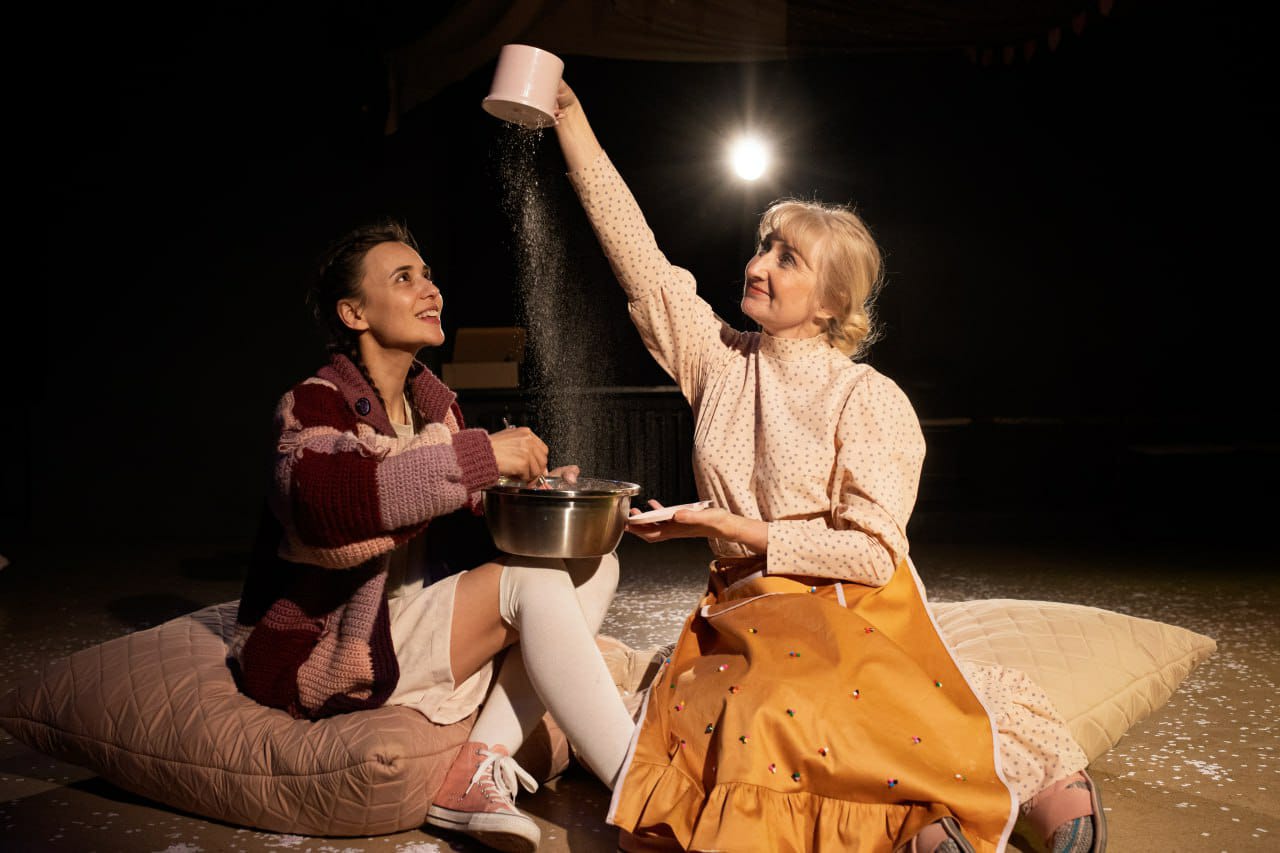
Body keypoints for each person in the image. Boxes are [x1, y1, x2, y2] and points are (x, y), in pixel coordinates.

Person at [550, 80, 1106, 853]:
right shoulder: (718, 361)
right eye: (764, 246)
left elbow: (874, 552)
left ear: (830, 300)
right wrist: (570, 120)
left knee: (815, 701)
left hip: (850, 606)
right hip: (745, 610)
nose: (759, 264)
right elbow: (639, 260)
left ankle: (1003, 794)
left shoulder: (865, 397)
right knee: (745, 714)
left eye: (788, 258)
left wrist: (731, 525)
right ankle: (912, 826)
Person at [226, 219, 638, 853]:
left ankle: (477, 767)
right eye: (403, 278)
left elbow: (459, 517)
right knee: (530, 584)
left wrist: (533, 493)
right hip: (340, 640)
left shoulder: (435, 408)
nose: (431, 289)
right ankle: (642, 787)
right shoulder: (312, 403)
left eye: (427, 275)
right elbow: (325, 504)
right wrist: (480, 458)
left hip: (414, 616)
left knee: (594, 563)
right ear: (354, 313)